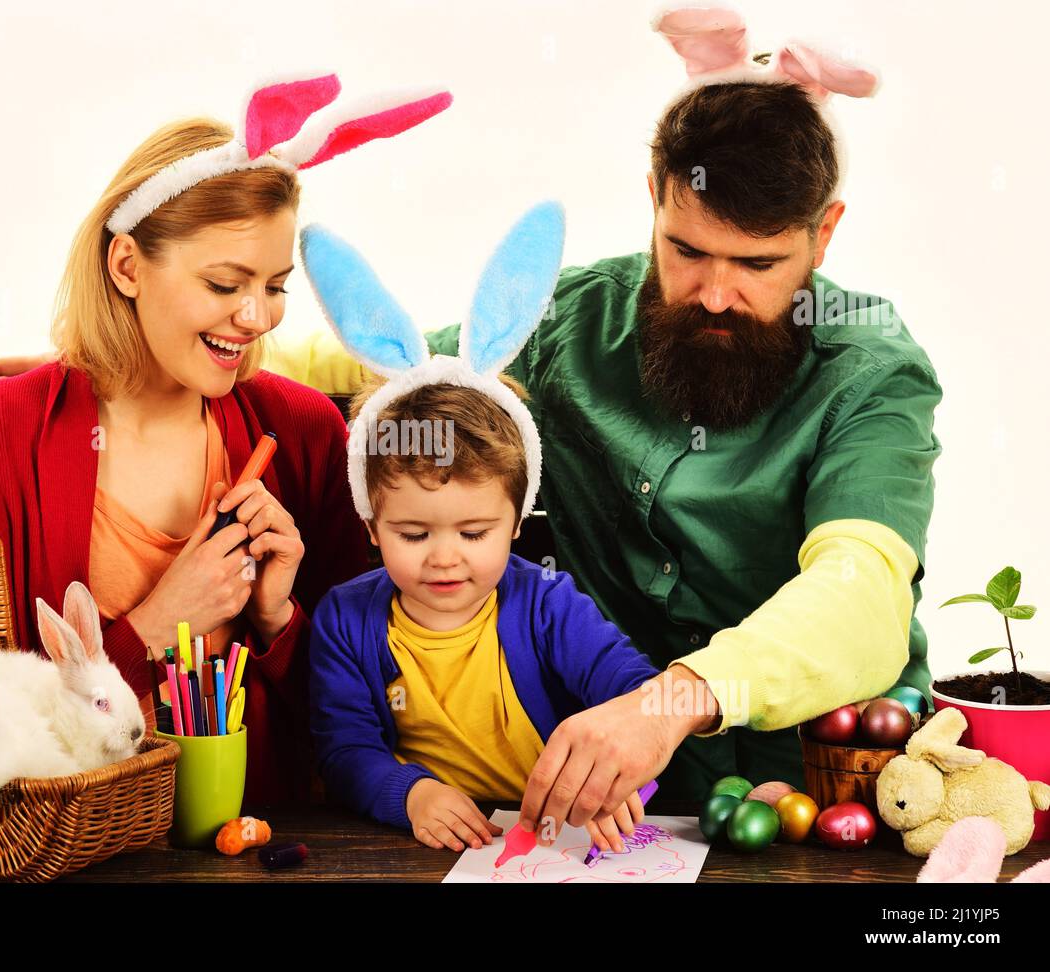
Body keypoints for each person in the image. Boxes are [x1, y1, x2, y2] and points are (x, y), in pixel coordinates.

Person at [272, 38, 942, 832]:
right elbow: (385, 365)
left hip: (825, 792)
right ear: (657, 195)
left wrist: (668, 703)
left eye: (757, 264)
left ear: (823, 233)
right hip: (614, 813)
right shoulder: (568, 325)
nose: (717, 294)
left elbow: (862, 594)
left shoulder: (870, 368)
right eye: (686, 250)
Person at [0, 75, 449, 804]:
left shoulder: (308, 435)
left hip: (268, 850)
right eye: (226, 285)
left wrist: (279, 621)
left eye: (277, 285)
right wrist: (153, 628)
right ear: (127, 266)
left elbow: (373, 726)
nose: (258, 317)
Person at [300, 205, 712, 852]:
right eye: (413, 534)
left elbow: (633, 692)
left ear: (516, 523)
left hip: (556, 848)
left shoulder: (545, 605)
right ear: (371, 523)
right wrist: (411, 792)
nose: (445, 559)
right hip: (422, 854)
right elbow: (345, 749)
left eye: (473, 534)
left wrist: (616, 778)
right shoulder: (344, 622)